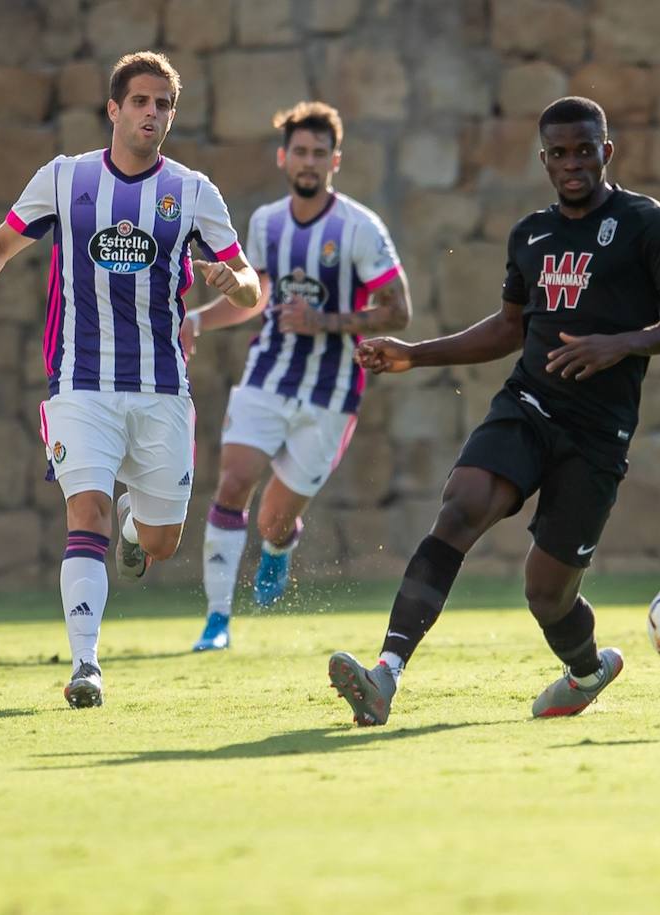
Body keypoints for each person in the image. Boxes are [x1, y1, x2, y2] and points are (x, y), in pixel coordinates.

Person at [328, 96, 660, 725]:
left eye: (584, 151)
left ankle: (588, 670)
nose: (572, 165)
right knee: (462, 506)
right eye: (559, 154)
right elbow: (512, 328)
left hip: (597, 435)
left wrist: (622, 344)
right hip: (529, 404)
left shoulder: (649, 224)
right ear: (543, 160)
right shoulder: (530, 235)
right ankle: (385, 674)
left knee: (547, 592)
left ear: (605, 152)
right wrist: (415, 354)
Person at [0, 52, 260, 707]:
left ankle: (137, 533)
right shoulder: (65, 178)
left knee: (164, 540)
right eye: (140, 101)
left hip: (161, 389)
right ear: (113, 109)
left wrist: (236, 281)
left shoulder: (193, 192)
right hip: (78, 383)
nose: (152, 113)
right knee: (84, 509)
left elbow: (252, 286)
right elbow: (2, 242)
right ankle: (86, 663)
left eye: (163, 104)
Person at [180, 101, 409, 652]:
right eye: (299, 152)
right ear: (284, 158)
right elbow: (253, 299)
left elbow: (397, 311)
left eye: (319, 153)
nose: (309, 162)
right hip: (268, 374)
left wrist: (325, 321)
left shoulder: (360, 228)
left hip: (332, 394)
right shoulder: (266, 223)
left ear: (335, 161)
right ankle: (216, 622)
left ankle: (278, 550)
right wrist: (198, 320)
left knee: (272, 522)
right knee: (233, 481)